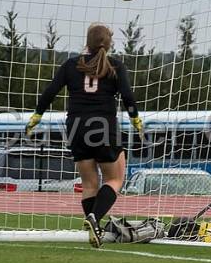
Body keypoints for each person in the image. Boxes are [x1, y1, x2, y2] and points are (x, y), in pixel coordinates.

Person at [27, 23, 143, 247]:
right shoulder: (115, 66)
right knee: (115, 179)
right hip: (102, 127)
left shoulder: (72, 65)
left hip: (77, 127)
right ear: (109, 44)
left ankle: (94, 229)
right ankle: (94, 218)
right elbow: (127, 96)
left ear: (87, 43)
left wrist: (37, 116)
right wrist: (135, 119)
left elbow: (51, 91)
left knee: (89, 183)